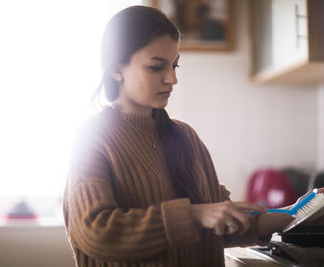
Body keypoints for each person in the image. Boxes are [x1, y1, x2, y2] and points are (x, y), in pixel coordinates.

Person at [63, 5, 322, 266]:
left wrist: (294, 214)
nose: (172, 78)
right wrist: (193, 215)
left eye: (174, 65)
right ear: (116, 68)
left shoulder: (185, 137)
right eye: (156, 67)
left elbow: (220, 223)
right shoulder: (93, 138)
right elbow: (95, 232)